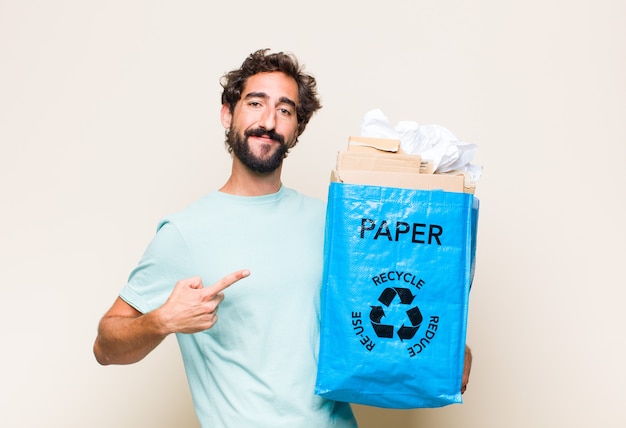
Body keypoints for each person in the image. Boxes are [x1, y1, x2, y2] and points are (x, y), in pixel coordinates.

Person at [93, 48, 472, 427]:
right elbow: (105, 346)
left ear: (296, 129)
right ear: (228, 113)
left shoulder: (332, 223)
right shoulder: (184, 233)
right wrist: (161, 320)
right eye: (256, 103)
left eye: (285, 110)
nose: (269, 121)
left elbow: (384, 310)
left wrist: (446, 350)